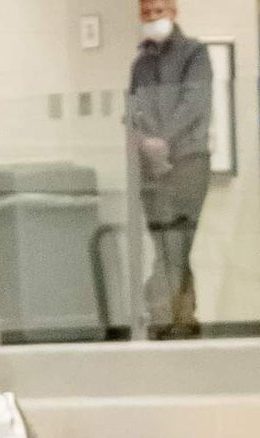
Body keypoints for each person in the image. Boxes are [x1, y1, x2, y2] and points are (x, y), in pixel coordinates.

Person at [128, 0, 212, 339]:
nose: (152, 18)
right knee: (165, 244)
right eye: (146, 13)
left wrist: (164, 139)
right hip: (150, 166)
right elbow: (134, 107)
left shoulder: (195, 54)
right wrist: (147, 141)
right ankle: (181, 319)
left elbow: (194, 102)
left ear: (173, 12)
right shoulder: (140, 64)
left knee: (179, 242)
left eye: (158, 11)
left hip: (189, 161)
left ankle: (166, 314)